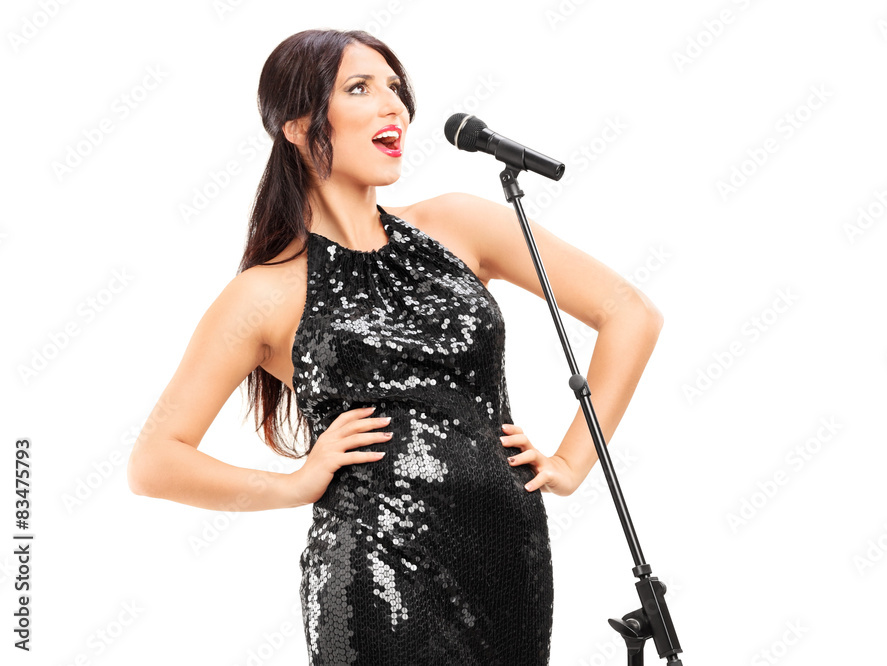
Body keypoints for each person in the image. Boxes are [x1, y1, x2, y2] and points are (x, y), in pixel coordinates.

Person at [127, 28, 663, 665]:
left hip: (509, 563)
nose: (394, 107)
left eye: (395, 88)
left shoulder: (459, 223)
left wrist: (572, 463)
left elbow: (629, 314)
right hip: (374, 578)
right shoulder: (264, 294)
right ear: (296, 126)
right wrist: (295, 484)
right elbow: (154, 461)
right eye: (359, 88)